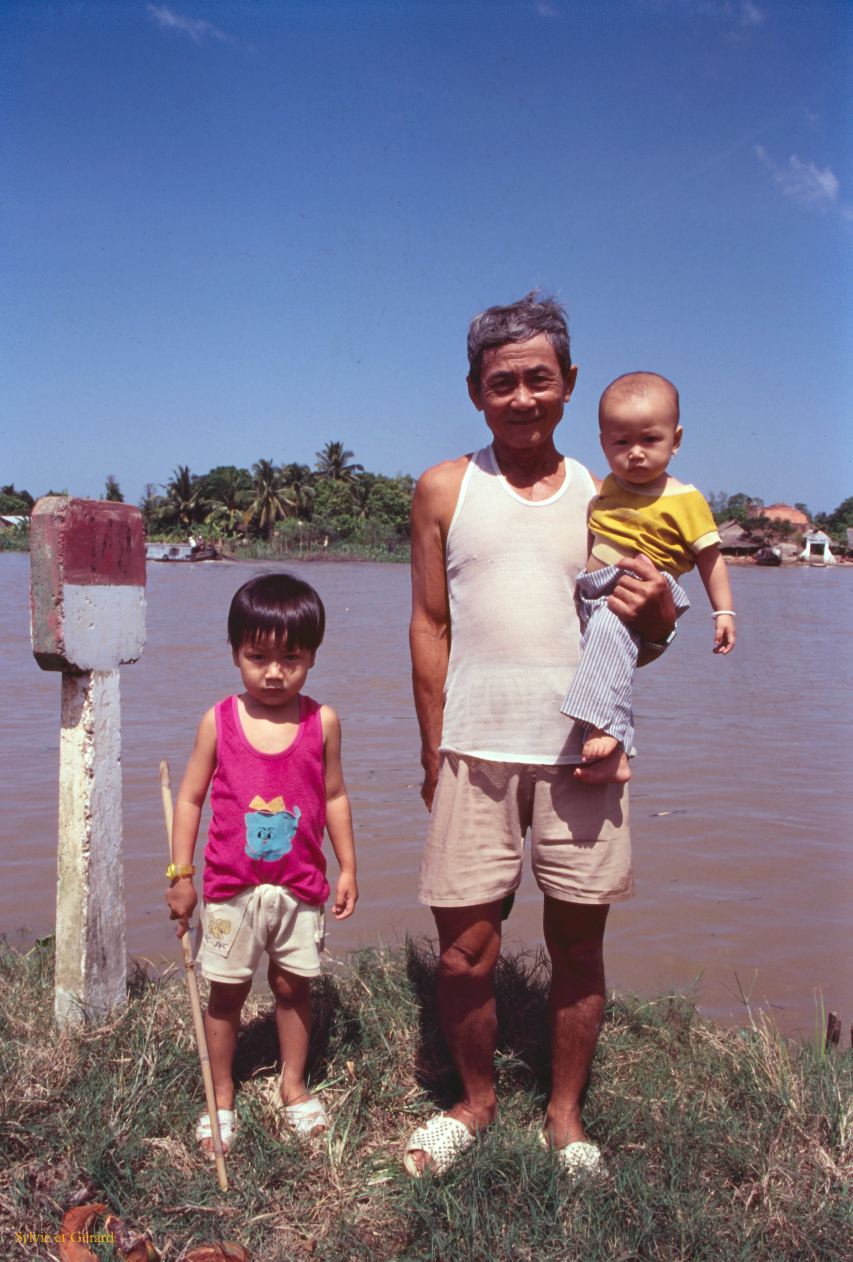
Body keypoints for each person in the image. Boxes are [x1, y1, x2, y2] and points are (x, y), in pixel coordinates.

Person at [406, 292, 676, 1178]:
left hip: (581, 761)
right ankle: (475, 1101)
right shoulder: (445, 488)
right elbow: (428, 626)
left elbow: (639, 636)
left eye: (537, 380)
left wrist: (665, 616)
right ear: (474, 393)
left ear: (568, 387)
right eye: (500, 383)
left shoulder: (611, 495)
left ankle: (563, 1117)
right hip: (473, 754)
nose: (519, 397)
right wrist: (429, 747)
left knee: (578, 947)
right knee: (461, 952)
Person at [166, 573, 358, 1155]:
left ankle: (292, 1086)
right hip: (230, 890)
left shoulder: (321, 722)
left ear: (312, 658)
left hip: (299, 889)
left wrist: (347, 867)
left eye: (291, 659)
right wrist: (181, 875)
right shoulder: (217, 721)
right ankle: (220, 1098)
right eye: (258, 657)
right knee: (225, 992)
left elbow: (334, 797)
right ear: (235, 653)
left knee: (292, 987)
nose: (274, 672)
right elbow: (191, 798)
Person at [561, 371, 736, 763]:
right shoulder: (608, 486)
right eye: (622, 442)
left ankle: (612, 730)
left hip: (644, 586)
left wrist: (723, 611)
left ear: (675, 440)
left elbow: (711, 559)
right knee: (600, 650)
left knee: (610, 630)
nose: (635, 453)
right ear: (604, 444)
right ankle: (606, 745)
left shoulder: (685, 500)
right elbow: (594, 534)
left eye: (650, 440)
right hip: (594, 587)